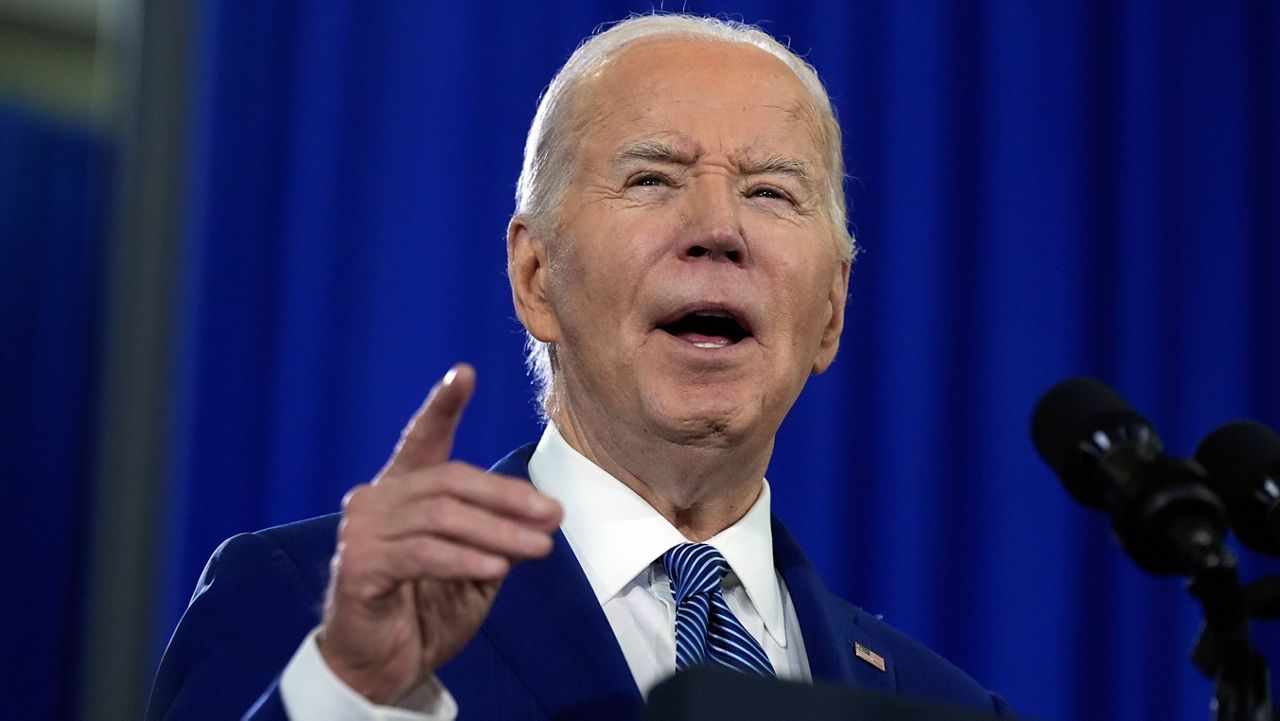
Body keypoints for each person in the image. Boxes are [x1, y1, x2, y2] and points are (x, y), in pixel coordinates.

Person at [147, 13, 1009, 720]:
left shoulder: (946, 706)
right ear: (535, 276)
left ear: (831, 310)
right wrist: (348, 694)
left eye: (770, 192)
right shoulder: (312, 611)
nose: (719, 228)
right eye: (652, 179)